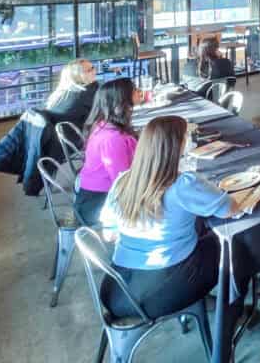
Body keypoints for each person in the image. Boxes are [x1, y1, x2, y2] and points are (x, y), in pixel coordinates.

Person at [99, 116, 243, 320]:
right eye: (187, 137)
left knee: (199, 233)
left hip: (117, 288)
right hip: (156, 293)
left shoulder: (123, 180)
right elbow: (230, 208)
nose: (190, 141)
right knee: (233, 244)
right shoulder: (182, 185)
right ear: (177, 146)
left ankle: (204, 299)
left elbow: (109, 234)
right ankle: (233, 311)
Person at [74, 78, 140, 225]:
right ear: (122, 100)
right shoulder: (113, 138)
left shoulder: (103, 124)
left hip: (96, 195)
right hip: (99, 204)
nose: (139, 92)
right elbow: (122, 181)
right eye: (135, 90)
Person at [44, 59, 99, 127]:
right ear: (76, 76)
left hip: (63, 135)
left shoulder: (60, 93)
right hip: (82, 134)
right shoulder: (84, 94)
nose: (94, 71)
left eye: (93, 68)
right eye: (88, 71)